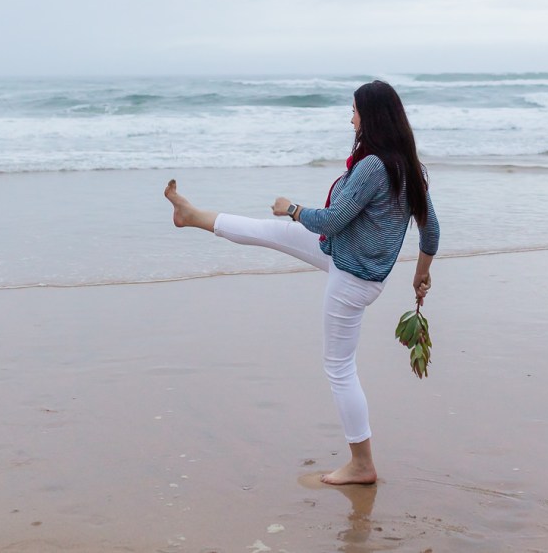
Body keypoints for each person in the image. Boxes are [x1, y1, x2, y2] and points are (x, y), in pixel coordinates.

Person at [164, 79, 440, 486]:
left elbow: (331, 220)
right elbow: (430, 229)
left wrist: (291, 208)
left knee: (339, 369)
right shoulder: (409, 167)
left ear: (372, 117)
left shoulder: (373, 167)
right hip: (346, 258)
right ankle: (191, 215)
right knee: (268, 232)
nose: (351, 119)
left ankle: (362, 464)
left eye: (355, 111)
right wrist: (421, 272)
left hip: (352, 278)